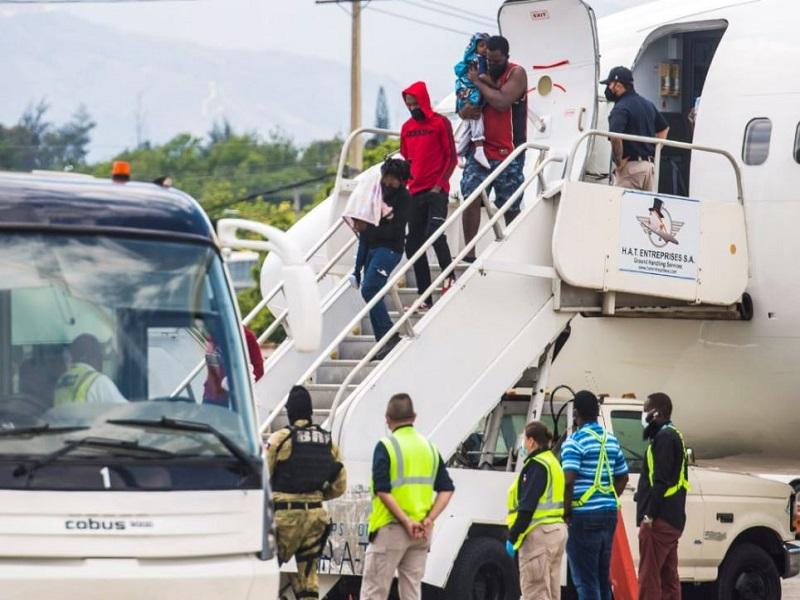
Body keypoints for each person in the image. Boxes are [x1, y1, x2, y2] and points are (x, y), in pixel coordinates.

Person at [361, 393, 455, 600]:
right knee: (412, 592)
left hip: (392, 529)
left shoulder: (386, 446)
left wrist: (406, 521)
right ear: (414, 417)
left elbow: (382, 490)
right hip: (421, 532)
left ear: (387, 419)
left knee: (374, 592)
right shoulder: (430, 448)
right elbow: (447, 489)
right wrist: (429, 519)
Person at [267, 385, 347, 600]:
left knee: (267, 571)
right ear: (310, 411)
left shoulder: (279, 439)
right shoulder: (328, 442)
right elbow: (340, 484)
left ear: (290, 411)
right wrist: (317, 496)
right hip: (315, 518)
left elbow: (263, 476)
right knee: (308, 581)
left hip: (285, 518)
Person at [459, 34, 528, 261]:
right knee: (471, 196)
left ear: (506, 57)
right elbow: (465, 106)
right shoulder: (479, 69)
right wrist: (466, 111)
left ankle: (515, 253)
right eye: (488, 59)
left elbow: (501, 101)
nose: (491, 64)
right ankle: (469, 254)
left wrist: (479, 81)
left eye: (496, 61)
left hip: (509, 152)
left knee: (510, 204)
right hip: (480, 150)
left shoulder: (516, 73)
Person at [561, 390, 629, 600]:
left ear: (576, 413)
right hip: (608, 514)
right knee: (601, 578)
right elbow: (623, 477)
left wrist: (566, 512)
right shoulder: (611, 440)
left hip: (583, 516)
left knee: (585, 581)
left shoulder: (575, 441)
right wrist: (607, 497)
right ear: (597, 412)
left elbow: (568, 480)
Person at [400, 81, 458, 310]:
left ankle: (449, 277)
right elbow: (406, 158)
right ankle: (425, 297)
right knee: (413, 244)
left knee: (434, 233)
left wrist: (439, 185)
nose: (412, 108)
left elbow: (451, 158)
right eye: (408, 104)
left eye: (415, 103)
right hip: (414, 192)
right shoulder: (406, 128)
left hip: (436, 191)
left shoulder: (440, 123)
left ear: (423, 100)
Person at [352, 158, 412, 360]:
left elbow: (396, 230)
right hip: (371, 247)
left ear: (402, 181)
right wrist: (356, 269)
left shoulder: (404, 198)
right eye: (387, 177)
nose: (389, 182)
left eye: (394, 179)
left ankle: (389, 335)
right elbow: (363, 233)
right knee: (370, 292)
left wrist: (371, 227)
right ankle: (383, 341)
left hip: (389, 249)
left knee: (370, 289)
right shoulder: (376, 192)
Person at [635, 392, 689, 600]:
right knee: (668, 578)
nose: (643, 416)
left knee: (649, 577)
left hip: (659, 520)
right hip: (672, 518)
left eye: (645, 411)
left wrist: (649, 515)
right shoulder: (674, 435)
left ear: (655, 413)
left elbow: (660, 481)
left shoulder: (664, 438)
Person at [506, 421, 567, 600]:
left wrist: (513, 536)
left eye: (524, 439)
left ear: (531, 441)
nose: (522, 444)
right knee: (551, 592)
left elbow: (527, 506)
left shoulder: (536, 465)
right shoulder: (553, 462)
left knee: (535, 592)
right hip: (557, 531)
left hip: (539, 534)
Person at [601, 66, 669, 191]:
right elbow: (664, 129)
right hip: (649, 168)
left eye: (609, 84)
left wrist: (619, 163)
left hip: (630, 170)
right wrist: (654, 152)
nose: (608, 88)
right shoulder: (648, 104)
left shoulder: (620, 108)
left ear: (618, 85)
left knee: (622, 203)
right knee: (647, 204)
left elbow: (615, 137)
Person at [53, 334, 127, 405]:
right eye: (99, 355)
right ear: (93, 356)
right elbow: (125, 409)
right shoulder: (98, 381)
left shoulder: (61, 381)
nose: (101, 361)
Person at [454, 32, 492, 169]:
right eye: (481, 45)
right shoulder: (478, 60)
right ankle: (479, 148)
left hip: (465, 95)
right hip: (471, 94)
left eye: (487, 46)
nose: (485, 49)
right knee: (476, 117)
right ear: (474, 47)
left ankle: (459, 151)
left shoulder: (470, 60)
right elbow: (481, 76)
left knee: (468, 125)